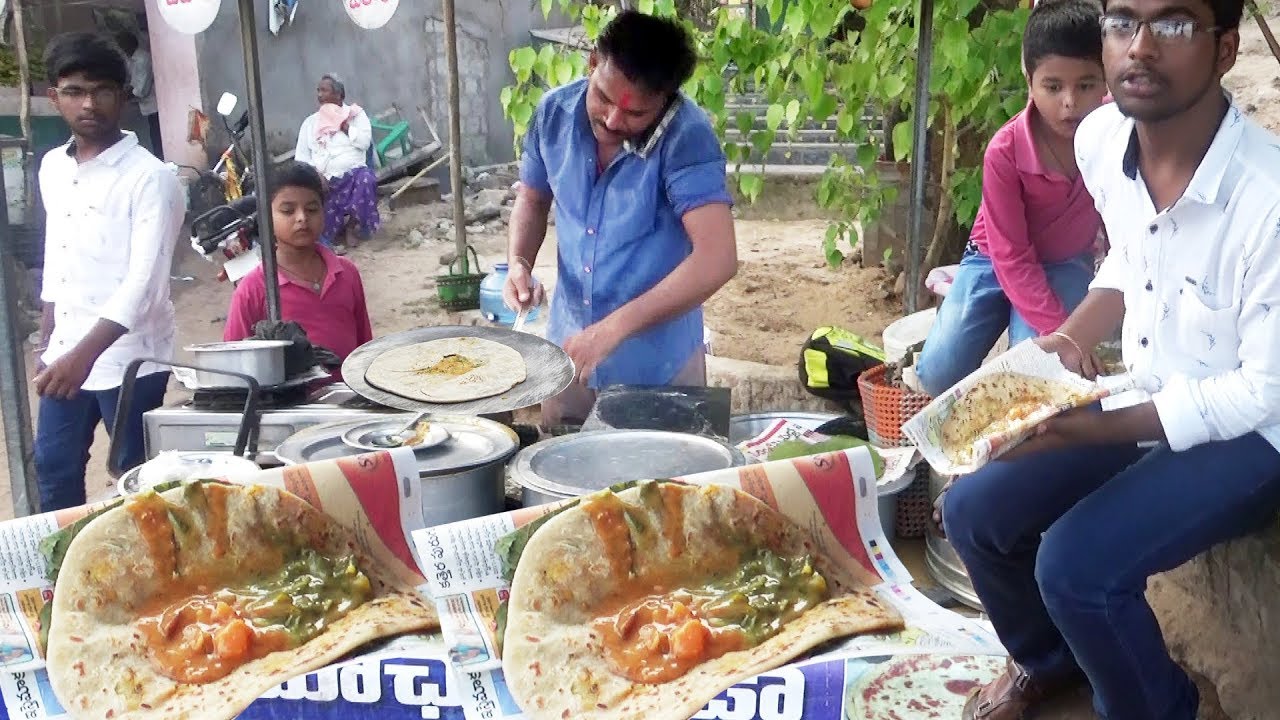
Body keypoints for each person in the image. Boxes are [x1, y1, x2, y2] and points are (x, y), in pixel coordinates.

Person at [940, 0, 1280, 716]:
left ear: (1224, 50)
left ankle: (1160, 706)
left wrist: (1088, 428)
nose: (1141, 48)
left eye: (1175, 25)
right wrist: (1070, 337)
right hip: (1150, 389)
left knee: (1073, 566)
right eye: (1123, 23)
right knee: (971, 509)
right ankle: (1050, 661)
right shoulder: (1103, 137)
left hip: (1253, 434)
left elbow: (1260, 393)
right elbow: (1132, 253)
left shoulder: (1268, 200)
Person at [502, 10, 737, 427]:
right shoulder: (553, 115)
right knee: (562, 475)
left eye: (635, 115)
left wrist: (612, 331)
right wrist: (519, 261)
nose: (612, 120)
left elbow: (717, 259)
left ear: (665, 100)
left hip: (657, 366)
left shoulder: (688, 136)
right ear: (593, 63)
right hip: (569, 352)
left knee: (661, 485)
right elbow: (534, 199)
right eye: (604, 98)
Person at [914, 0, 1109, 397]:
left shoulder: (1118, 131)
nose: (1069, 102)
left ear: (1107, 78)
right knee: (936, 374)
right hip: (993, 257)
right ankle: (1005, 308)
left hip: (1066, 261)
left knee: (1034, 373)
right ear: (1029, 78)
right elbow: (1012, 258)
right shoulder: (1005, 151)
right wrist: (1061, 331)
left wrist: (1064, 338)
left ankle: (1022, 323)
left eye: (1086, 84)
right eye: (1053, 87)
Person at [33, 32, 184, 512]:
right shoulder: (53, 168)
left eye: (102, 90)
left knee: (135, 480)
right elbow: (57, 254)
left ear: (124, 95)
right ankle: (67, 576)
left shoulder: (151, 177)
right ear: (54, 97)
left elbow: (144, 284)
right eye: (74, 91)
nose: (89, 103)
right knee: (52, 469)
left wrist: (83, 357)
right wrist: (49, 338)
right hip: (66, 352)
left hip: (131, 356)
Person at [223, 162, 373, 382]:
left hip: (351, 401)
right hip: (289, 410)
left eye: (312, 209)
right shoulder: (255, 288)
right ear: (267, 216)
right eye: (288, 211)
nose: (302, 218)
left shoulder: (347, 273)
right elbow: (232, 366)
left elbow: (365, 348)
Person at [293, 74, 379, 252]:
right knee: (322, 225)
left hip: (355, 174)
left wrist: (343, 125)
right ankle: (332, 235)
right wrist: (316, 174)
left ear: (339, 95)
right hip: (325, 179)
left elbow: (364, 143)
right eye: (318, 90)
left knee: (366, 179)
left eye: (324, 90)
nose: (319, 95)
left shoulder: (355, 115)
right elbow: (301, 157)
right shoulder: (310, 123)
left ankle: (352, 226)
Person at [115, 31, 160, 159]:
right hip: (144, 106)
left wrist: (122, 97)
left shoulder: (142, 59)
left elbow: (141, 89)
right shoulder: (131, 59)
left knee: (157, 137)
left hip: (153, 104)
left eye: (121, 45)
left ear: (129, 44)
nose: (121, 49)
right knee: (153, 136)